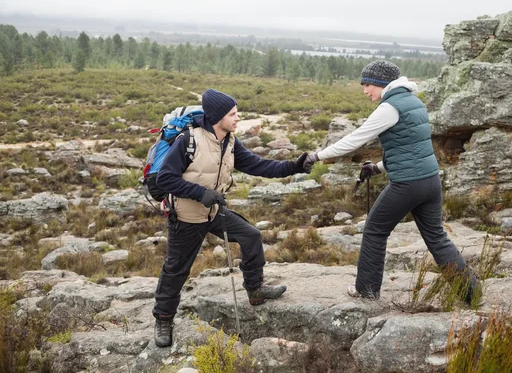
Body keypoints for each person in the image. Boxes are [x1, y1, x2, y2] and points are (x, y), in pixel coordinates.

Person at [303, 60, 480, 301]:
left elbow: (357, 138)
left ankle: (366, 290)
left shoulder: (389, 107)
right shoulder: (414, 102)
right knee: (437, 238)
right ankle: (470, 292)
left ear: (382, 83)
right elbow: (411, 149)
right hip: (430, 182)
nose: (365, 91)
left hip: (407, 184)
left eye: (368, 85)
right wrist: (376, 168)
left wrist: (317, 155)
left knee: (375, 230)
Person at [152, 88, 309, 347]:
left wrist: (294, 166)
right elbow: (165, 178)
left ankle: (255, 289)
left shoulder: (230, 141)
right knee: (176, 269)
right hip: (186, 216)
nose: (238, 118)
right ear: (217, 117)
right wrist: (201, 193)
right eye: (233, 114)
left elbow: (259, 165)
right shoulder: (188, 141)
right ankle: (164, 318)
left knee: (251, 236)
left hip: (213, 212)